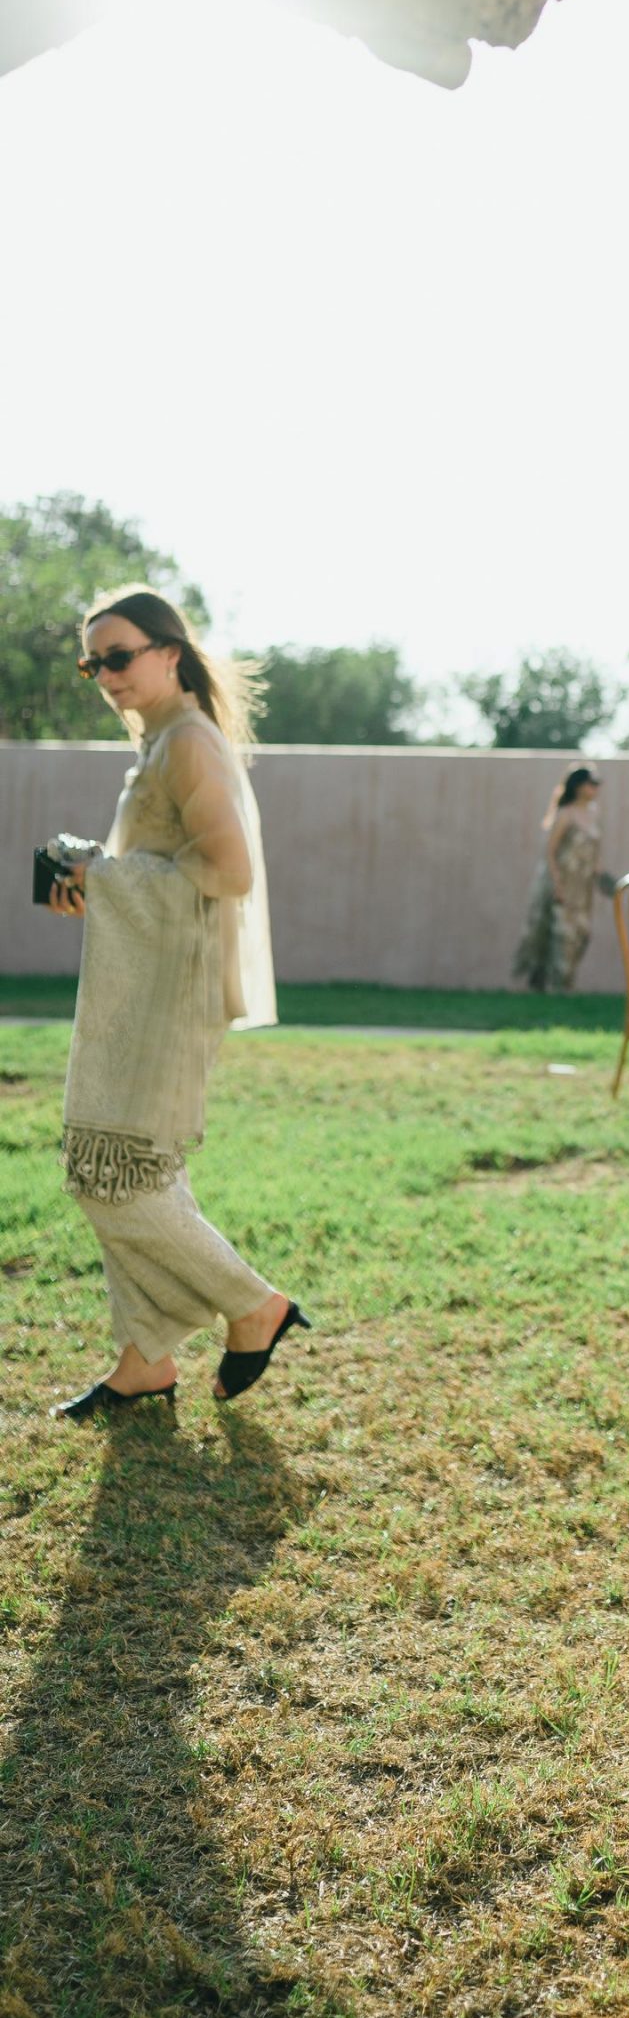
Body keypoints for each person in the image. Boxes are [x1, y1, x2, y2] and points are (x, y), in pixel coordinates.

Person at [44, 586, 309, 1418]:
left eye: (118, 656)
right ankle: (143, 1361)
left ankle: (254, 1303)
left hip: (177, 991)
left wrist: (105, 878)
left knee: (112, 1176)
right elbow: (173, 861)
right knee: (131, 1168)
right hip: (158, 980)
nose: (105, 675)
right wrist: (92, 878)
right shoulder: (163, 742)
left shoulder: (189, 744)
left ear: (170, 651)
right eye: (92, 664)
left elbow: (230, 875)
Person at [513, 766, 603, 993]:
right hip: (561, 883)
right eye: (591, 783)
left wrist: (598, 872)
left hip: (582, 888)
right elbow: (550, 852)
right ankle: (553, 988)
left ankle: (565, 985)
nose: (595, 788)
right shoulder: (565, 814)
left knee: (581, 934)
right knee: (558, 934)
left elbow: (592, 851)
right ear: (578, 786)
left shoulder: (593, 813)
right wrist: (557, 885)